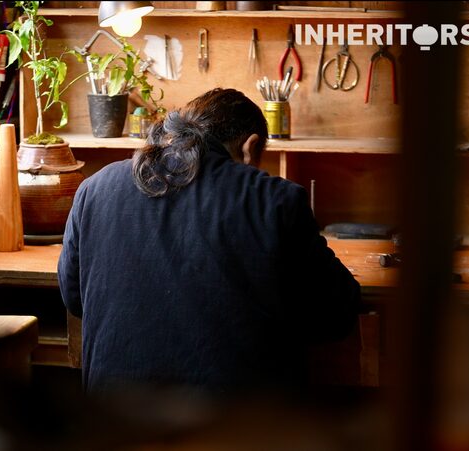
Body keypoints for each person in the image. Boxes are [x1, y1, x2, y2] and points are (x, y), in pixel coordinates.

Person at [58, 88, 361, 396]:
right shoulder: (275, 200)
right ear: (250, 148)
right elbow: (336, 312)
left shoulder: (94, 188)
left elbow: (73, 298)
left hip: (110, 424)